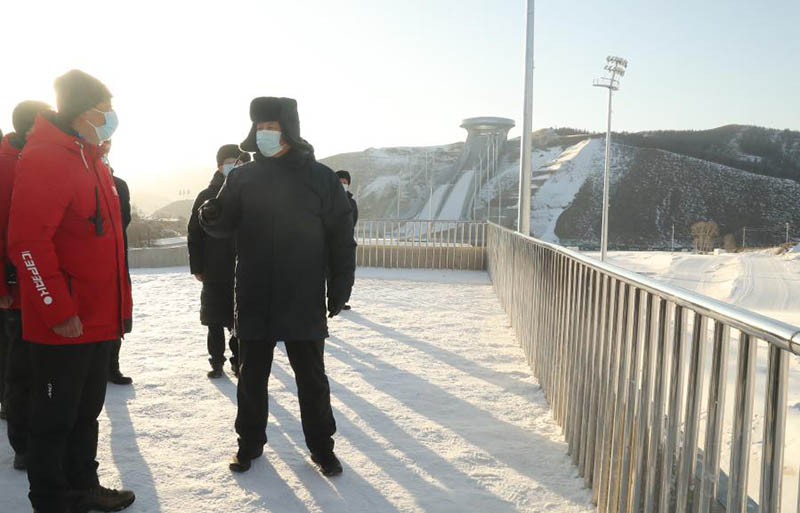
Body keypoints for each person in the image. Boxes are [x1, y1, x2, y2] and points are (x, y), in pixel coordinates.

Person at [199, 97, 355, 476]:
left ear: (289, 129)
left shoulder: (320, 177)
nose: (265, 135)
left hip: (302, 293)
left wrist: (340, 285)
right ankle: (249, 444)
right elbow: (223, 224)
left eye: (272, 127)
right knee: (251, 377)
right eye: (261, 128)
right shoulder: (242, 177)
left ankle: (322, 447)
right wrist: (211, 216)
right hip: (254, 292)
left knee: (312, 379)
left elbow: (341, 236)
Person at [8, 69, 135, 513]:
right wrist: (57, 308)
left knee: (85, 413)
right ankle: (50, 499)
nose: (111, 118)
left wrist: (119, 309)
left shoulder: (90, 156)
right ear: (82, 113)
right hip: (65, 322)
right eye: (105, 110)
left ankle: (81, 485)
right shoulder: (48, 158)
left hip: (98, 317)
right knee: (54, 420)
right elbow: (27, 242)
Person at [0, 100, 53, 471]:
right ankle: (23, 444)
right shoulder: (6, 166)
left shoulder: (41, 160)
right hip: (15, 291)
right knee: (20, 372)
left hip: (46, 288)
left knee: (46, 370)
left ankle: (46, 437)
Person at [187, 145, 250, 379]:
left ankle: (238, 360)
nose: (234, 166)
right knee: (214, 319)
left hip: (244, 268)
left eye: (239, 162)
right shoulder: (207, 195)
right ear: (220, 165)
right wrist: (198, 266)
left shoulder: (251, 193)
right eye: (230, 161)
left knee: (240, 319)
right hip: (214, 268)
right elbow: (194, 232)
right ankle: (216, 361)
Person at [100, 140, 133, 385]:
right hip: (91, 260)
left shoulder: (120, 186)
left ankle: (112, 366)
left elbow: (125, 219)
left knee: (116, 314)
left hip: (117, 258)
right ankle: (98, 368)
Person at [335, 170, 358, 311]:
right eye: (340, 182)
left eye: (345, 182)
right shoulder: (326, 199)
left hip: (345, 243)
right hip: (327, 242)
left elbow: (353, 220)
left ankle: (340, 301)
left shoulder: (351, 202)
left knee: (345, 274)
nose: (343, 184)